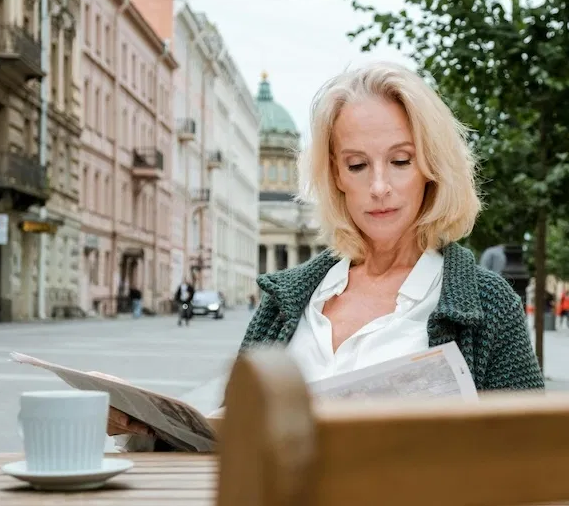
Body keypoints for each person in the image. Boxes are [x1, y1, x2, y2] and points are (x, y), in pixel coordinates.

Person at [105, 61, 544, 449]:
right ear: (335, 175)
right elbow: (226, 444)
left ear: (432, 168)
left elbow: (534, 464)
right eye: (357, 165)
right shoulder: (286, 301)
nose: (378, 187)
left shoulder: (488, 305)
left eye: (401, 161)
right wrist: (147, 426)